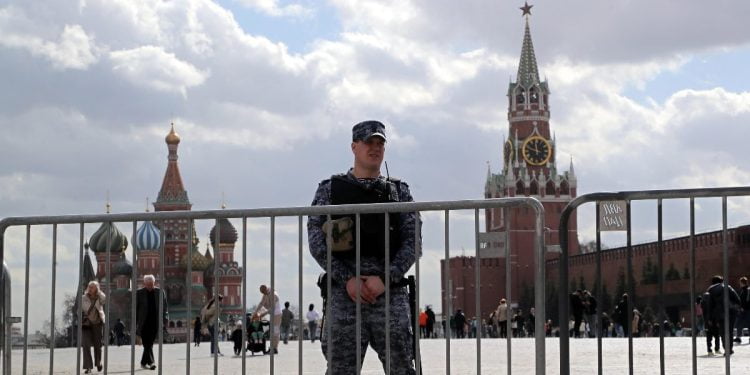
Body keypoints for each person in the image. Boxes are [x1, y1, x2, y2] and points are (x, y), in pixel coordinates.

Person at [307, 120, 420, 375]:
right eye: (369, 142)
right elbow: (316, 242)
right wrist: (348, 280)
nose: (375, 148)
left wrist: (385, 278)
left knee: (402, 367)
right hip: (344, 296)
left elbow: (413, 243)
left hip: (390, 295)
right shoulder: (329, 191)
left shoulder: (399, 192)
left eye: (380, 143)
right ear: (354, 147)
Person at [136, 274, 168, 371]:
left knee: (149, 343)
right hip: (144, 322)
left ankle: (143, 362)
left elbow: (165, 306)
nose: (150, 286)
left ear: (154, 283)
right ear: (144, 284)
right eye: (148, 284)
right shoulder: (139, 293)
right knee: (147, 343)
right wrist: (135, 322)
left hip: (155, 321)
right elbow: (136, 308)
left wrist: (165, 318)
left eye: (151, 284)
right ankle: (151, 362)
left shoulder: (160, 292)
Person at [706, 275, 741, 355]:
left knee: (722, 332)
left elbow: (710, 306)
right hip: (731, 313)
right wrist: (736, 308)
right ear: (721, 281)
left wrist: (710, 318)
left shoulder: (711, 291)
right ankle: (730, 349)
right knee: (730, 331)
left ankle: (726, 348)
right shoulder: (728, 287)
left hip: (719, 314)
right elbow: (737, 299)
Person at [81, 281, 105, 374]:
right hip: (86, 323)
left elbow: (105, 299)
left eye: (92, 287)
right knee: (86, 345)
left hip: (97, 323)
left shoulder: (99, 297)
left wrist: (99, 293)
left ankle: (98, 363)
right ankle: (88, 367)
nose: (90, 288)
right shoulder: (84, 298)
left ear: (96, 288)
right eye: (89, 286)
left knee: (97, 345)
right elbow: (83, 308)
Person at [252, 285, 282, 354]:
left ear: (266, 290)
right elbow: (261, 303)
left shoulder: (274, 294)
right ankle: (273, 347)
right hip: (272, 314)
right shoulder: (266, 293)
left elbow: (272, 309)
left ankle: (275, 348)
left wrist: (262, 315)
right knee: (272, 331)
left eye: (263, 292)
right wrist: (255, 313)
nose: (263, 294)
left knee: (276, 331)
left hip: (277, 314)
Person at [734, 276, 750, 343]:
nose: (739, 284)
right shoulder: (746, 290)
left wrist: (743, 307)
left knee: (739, 323)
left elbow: (745, 300)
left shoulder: (746, 290)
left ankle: (738, 337)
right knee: (746, 323)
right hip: (746, 309)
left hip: (745, 309)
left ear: (742, 283)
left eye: (740, 282)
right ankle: (738, 337)